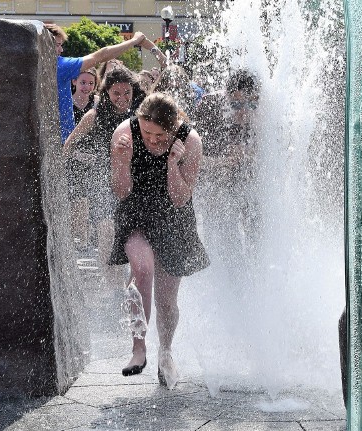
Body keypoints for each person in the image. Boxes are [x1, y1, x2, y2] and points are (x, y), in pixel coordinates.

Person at [108, 93, 209, 388]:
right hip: (135, 213)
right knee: (142, 268)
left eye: (159, 135)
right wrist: (123, 161)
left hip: (173, 219)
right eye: (146, 132)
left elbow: (180, 198)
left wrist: (172, 164)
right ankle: (139, 348)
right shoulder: (124, 134)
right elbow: (121, 192)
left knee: (166, 301)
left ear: (173, 127)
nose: (151, 140)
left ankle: (166, 351)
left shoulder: (190, 142)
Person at [64, 67, 145, 275]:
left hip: (128, 184)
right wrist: (83, 158)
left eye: (127, 92)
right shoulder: (93, 116)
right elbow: (68, 146)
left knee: (128, 236)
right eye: (116, 93)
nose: (122, 98)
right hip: (101, 184)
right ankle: (111, 289)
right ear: (106, 92)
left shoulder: (136, 119)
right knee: (107, 234)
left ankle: (128, 283)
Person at [193, 69, 261, 285]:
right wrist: (223, 162)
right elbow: (190, 158)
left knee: (256, 236)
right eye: (237, 105)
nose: (244, 112)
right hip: (216, 187)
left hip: (249, 188)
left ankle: (256, 283)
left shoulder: (267, 112)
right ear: (227, 96)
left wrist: (256, 154)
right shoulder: (211, 108)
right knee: (223, 239)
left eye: (251, 105)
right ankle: (225, 285)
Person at [44, 23, 145, 142]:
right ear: (45, 45)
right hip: (60, 139)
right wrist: (134, 41)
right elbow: (100, 56)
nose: (61, 49)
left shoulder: (37, 67)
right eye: (58, 45)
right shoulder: (59, 66)